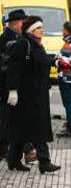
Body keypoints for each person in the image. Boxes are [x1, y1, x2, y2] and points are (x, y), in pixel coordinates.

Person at [6, 15, 61, 174]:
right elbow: (14, 69)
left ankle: (13, 160)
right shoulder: (23, 45)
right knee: (38, 129)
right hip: (26, 95)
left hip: (38, 93)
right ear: (30, 30)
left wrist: (53, 61)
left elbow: (39, 62)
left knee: (24, 130)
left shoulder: (36, 45)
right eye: (38, 28)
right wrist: (13, 90)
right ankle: (44, 162)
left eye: (42, 28)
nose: (42, 30)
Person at [0, 9, 34, 163]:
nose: (24, 25)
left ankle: (10, 150)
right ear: (16, 23)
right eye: (23, 22)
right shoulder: (7, 39)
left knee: (12, 120)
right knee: (11, 120)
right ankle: (25, 151)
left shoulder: (16, 37)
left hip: (13, 85)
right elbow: (7, 65)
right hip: (7, 86)